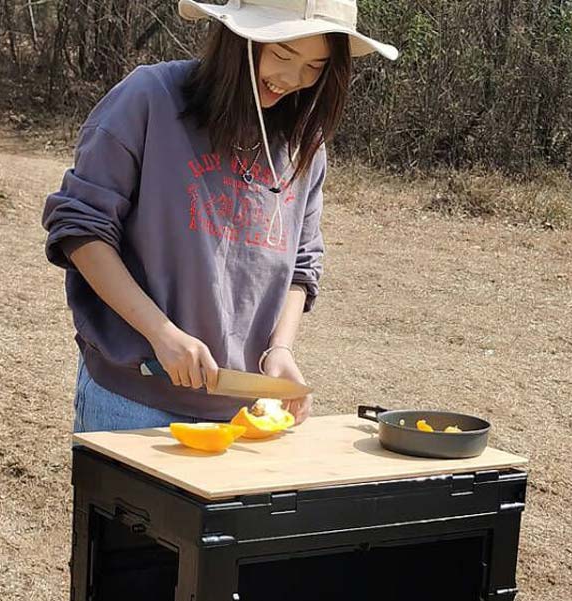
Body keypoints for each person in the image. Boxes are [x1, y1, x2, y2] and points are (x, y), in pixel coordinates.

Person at [43, 0, 398, 434]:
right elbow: (82, 230)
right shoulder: (150, 98)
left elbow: (302, 266)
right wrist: (162, 334)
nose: (291, 80)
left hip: (244, 411)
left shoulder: (305, 143)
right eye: (282, 52)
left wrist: (280, 350)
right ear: (237, 38)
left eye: (315, 66)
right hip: (134, 399)